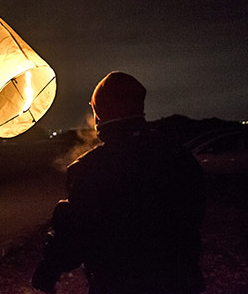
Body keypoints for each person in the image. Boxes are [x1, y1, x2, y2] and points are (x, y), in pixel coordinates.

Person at [32, 71, 205, 294]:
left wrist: (49, 267)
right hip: (179, 282)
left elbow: (75, 242)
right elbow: (194, 216)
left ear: (100, 114)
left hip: (115, 285)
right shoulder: (180, 157)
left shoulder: (87, 169)